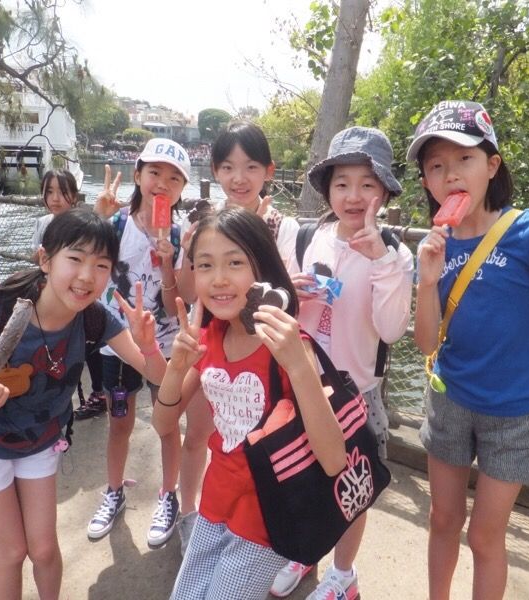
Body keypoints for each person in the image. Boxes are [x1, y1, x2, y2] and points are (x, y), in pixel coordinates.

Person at [0, 208, 166, 600]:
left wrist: (150, 346)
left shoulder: (96, 319)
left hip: (39, 443)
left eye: (101, 265)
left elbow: (159, 377)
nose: (87, 276)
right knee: (12, 551)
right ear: (45, 259)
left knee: (44, 549)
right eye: (75, 258)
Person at [152, 206, 347, 600]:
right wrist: (176, 368)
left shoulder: (289, 345)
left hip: (269, 514)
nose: (219, 279)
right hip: (215, 500)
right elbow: (162, 424)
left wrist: (299, 365)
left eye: (235, 263)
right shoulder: (210, 336)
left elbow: (334, 461)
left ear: (262, 267)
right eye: (205, 265)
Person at [410, 100, 529, 600]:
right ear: (426, 181)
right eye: (436, 165)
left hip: (514, 412)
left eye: (465, 159)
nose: (451, 174)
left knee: (485, 536)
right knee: (442, 518)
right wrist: (426, 280)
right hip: (450, 399)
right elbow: (425, 342)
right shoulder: (436, 244)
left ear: (492, 165)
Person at [269, 126, 414, 599]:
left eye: (367, 184)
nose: (353, 196)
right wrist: (289, 290)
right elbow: (280, 311)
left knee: (354, 487)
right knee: (302, 479)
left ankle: (343, 573)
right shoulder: (307, 238)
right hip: (303, 383)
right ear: (328, 189)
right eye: (342, 183)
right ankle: (305, 552)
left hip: (358, 392)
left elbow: (391, 330)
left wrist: (381, 262)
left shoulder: (396, 254)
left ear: (384, 192)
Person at [87, 139, 208, 549]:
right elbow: (84, 272)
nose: (162, 183)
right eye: (155, 172)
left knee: (167, 424)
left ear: (182, 189)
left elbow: (178, 307)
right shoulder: (115, 225)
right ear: (138, 175)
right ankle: (114, 491)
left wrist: (172, 258)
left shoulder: (181, 235)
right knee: (119, 422)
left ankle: (167, 495)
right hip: (118, 344)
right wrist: (96, 219)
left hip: (167, 348)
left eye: (175, 178)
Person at [32, 169, 108, 419]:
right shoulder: (43, 223)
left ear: (74, 195)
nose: (55, 198)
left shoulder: (81, 224)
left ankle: (98, 393)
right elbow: (36, 258)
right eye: (49, 192)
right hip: (51, 296)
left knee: (89, 344)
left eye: (62, 192)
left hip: (78, 296)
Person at [211, 120, 300, 267]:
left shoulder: (284, 229)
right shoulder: (201, 223)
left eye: (251, 167)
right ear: (215, 171)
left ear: (269, 171)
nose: (239, 179)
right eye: (227, 167)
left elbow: (285, 281)